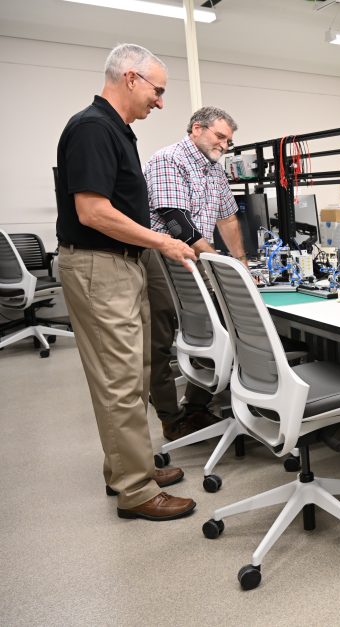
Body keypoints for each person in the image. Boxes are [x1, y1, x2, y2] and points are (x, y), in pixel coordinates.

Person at [56, 43, 198, 521]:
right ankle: (135, 491)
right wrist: (162, 242)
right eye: (157, 90)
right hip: (99, 267)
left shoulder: (116, 129)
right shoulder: (93, 128)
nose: (160, 101)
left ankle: (128, 467)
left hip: (121, 263)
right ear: (131, 78)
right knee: (119, 381)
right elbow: (92, 212)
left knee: (134, 373)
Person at [143, 106, 248, 441]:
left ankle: (196, 407)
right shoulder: (169, 159)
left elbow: (228, 218)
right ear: (197, 129)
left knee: (210, 330)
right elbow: (176, 221)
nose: (225, 145)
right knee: (159, 341)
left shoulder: (214, 170)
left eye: (229, 141)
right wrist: (219, 261)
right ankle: (170, 418)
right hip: (162, 259)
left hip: (196, 258)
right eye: (220, 137)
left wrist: (241, 261)